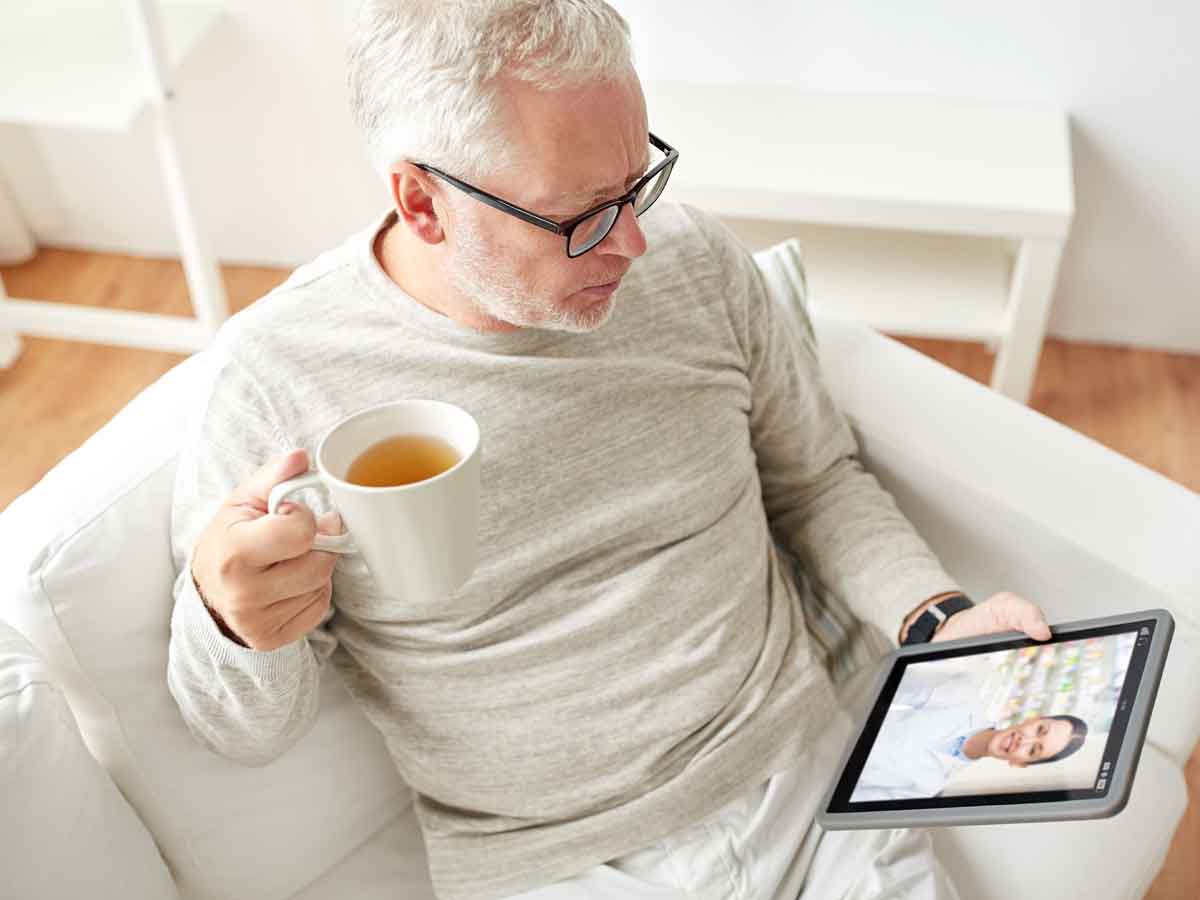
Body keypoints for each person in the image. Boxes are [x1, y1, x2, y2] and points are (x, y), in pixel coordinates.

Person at [166, 2, 1056, 898]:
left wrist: (936, 619)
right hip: (556, 863)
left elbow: (816, 481)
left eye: (637, 182)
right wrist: (230, 619)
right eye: (584, 215)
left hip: (812, 786)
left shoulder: (693, 261)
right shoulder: (276, 379)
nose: (632, 242)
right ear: (422, 202)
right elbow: (244, 733)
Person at [852, 666, 1089, 802]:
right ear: (1034, 718)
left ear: (1020, 764)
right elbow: (879, 684)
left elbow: (855, 796)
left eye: (1034, 749)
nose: (1024, 740)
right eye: (1040, 730)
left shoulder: (932, 788)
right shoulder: (961, 696)